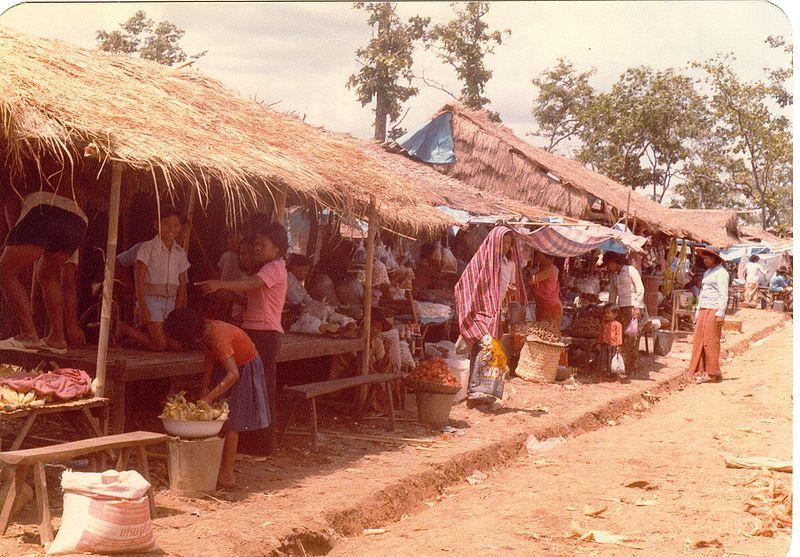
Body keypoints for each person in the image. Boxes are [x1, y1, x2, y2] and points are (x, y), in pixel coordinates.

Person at [198, 221, 288, 454]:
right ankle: (251, 445)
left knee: (260, 391)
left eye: (263, 244)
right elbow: (251, 296)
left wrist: (220, 283)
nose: (257, 248)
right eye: (256, 243)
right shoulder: (268, 267)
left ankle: (262, 448)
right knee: (252, 390)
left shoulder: (274, 268)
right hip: (253, 331)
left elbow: (251, 285)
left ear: (277, 248)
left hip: (264, 334)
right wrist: (223, 292)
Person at [164, 308, 270, 489]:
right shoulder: (204, 332)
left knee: (231, 422)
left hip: (244, 368)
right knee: (217, 417)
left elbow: (233, 374)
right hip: (230, 365)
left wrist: (207, 398)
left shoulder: (218, 337)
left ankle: (227, 476)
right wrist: (206, 387)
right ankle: (213, 467)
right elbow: (209, 358)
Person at [0, 190, 88, 353]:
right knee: (47, 274)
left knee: (5, 270)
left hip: (43, 211)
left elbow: (10, 203)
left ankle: (28, 334)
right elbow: (68, 282)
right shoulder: (68, 190)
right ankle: (57, 337)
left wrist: (13, 241)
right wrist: (72, 325)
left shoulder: (15, 187)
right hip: (78, 221)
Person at [455, 226, 525, 410]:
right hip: (479, 312)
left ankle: (482, 393)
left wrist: (508, 292)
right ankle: (476, 393)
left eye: (509, 242)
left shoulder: (508, 263)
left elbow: (504, 288)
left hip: (495, 313)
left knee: (488, 349)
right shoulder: (482, 261)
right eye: (504, 241)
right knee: (486, 347)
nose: (507, 245)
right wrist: (472, 305)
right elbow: (465, 283)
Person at [114, 207, 190, 351]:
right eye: (166, 224)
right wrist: (142, 306)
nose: (171, 228)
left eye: (175, 224)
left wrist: (178, 311)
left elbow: (182, 287)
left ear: (180, 226)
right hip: (151, 301)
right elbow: (139, 280)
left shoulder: (180, 253)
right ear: (157, 225)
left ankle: (139, 335)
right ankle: (123, 328)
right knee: (160, 346)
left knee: (175, 345)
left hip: (171, 302)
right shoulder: (147, 248)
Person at [688, 246, 729, 384]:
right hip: (704, 307)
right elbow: (703, 292)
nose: (705, 260)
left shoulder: (722, 273)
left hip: (714, 309)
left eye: (707, 258)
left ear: (715, 258)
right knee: (700, 339)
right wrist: (698, 310)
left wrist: (720, 312)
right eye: (704, 258)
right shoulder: (708, 272)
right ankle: (702, 369)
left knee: (711, 340)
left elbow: (723, 294)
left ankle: (713, 372)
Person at [605, 252, 644, 378]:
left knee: (632, 338)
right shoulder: (614, 275)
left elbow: (640, 288)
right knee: (621, 338)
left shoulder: (630, 270)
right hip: (621, 308)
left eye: (609, 264)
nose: (608, 267)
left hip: (632, 307)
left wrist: (637, 306)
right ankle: (622, 366)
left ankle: (631, 367)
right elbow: (613, 291)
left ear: (615, 261)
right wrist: (609, 307)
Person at [528, 251, 562, 330]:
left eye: (539, 255)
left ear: (545, 257)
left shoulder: (550, 269)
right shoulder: (546, 268)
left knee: (549, 333)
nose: (537, 257)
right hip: (544, 305)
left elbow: (531, 280)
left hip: (550, 306)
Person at [595, 303, 623, 380]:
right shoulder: (603, 324)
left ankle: (617, 377)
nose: (606, 315)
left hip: (613, 345)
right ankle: (602, 376)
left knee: (614, 361)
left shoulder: (617, 325)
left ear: (615, 314)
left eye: (608, 313)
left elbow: (619, 335)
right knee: (603, 361)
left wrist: (618, 345)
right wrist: (599, 343)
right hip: (604, 345)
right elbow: (601, 334)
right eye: (605, 313)